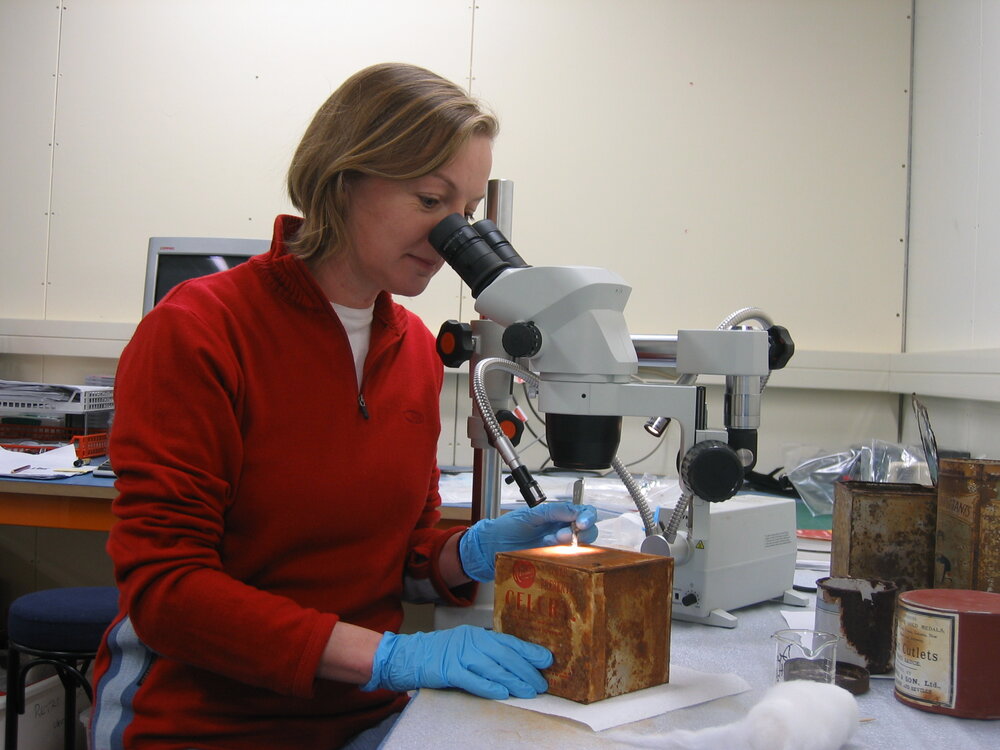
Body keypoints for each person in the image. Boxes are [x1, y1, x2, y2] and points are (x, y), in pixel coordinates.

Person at [88, 62, 598, 750]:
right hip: (205, 723)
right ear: (343, 178)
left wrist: (467, 555)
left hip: (367, 716)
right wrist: (391, 657)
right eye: (429, 201)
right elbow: (167, 595)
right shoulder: (202, 329)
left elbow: (400, 561)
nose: (453, 241)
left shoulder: (415, 349)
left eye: (468, 215)